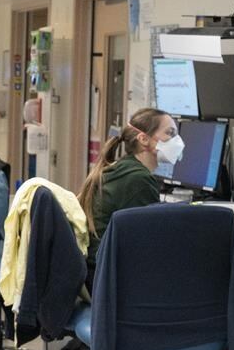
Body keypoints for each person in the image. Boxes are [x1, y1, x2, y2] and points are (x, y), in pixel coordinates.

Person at [77, 107, 180, 279]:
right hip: (106, 276)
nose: (176, 140)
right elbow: (148, 246)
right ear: (144, 139)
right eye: (170, 133)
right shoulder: (139, 180)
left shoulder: (124, 168)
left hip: (97, 270)